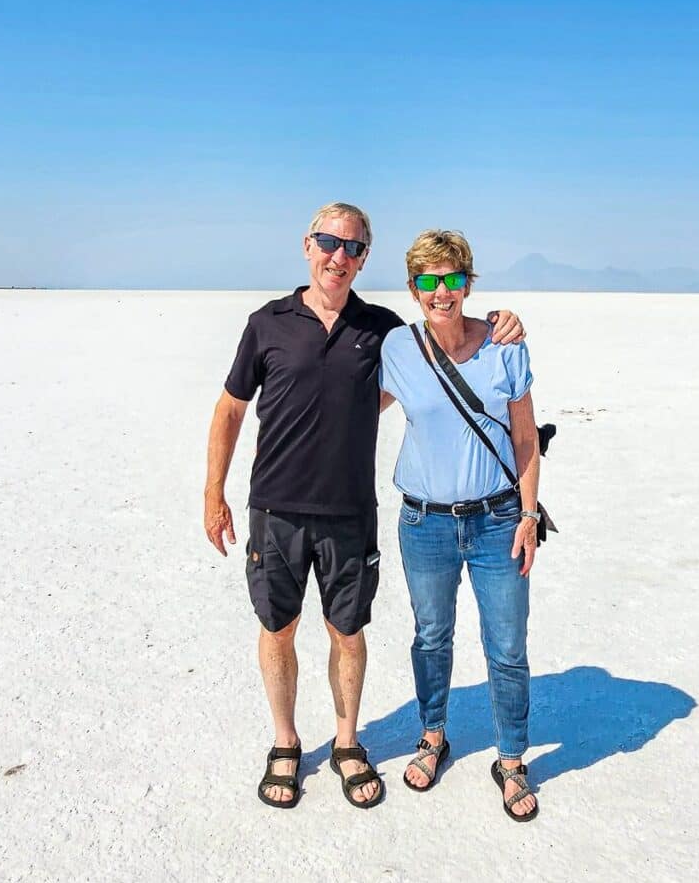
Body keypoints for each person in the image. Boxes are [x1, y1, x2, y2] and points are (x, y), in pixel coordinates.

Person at [203, 204, 524, 810]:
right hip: (275, 508)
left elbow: (446, 334)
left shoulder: (382, 331)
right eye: (328, 242)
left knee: (347, 631)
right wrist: (213, 491)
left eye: (352, 247)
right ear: (307, 245)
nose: (338, 256)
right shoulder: (266, 323)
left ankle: (348, 743)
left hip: (350, 509)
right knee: (278, 628)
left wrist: (502, 321)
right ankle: (286, 741)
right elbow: (229, 410)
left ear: (365, 257)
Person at [378, 229, 541, 822]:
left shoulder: (505, 346)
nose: (440, 291)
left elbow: (525, 437)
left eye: (451, 278)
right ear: (413, 288)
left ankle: (512, 758)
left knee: (506, 645)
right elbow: (346, 406)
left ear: (469, 283)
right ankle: (433, 733)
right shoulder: (397, 348)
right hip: (424, 523)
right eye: (427, 280)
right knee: (431, 636)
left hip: (499, 521)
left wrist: (528, 513)